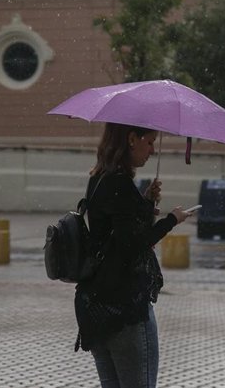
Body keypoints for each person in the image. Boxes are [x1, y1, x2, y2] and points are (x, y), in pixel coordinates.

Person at [74, 122, 193, 388]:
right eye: (149, 141)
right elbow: (133, 245)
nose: (152, 150)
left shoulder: (99, 178)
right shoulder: (119, 183)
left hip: (97, 306)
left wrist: (146, 201)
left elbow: (116, 232)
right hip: (124, 308)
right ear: (131, 139)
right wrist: (171, 220)